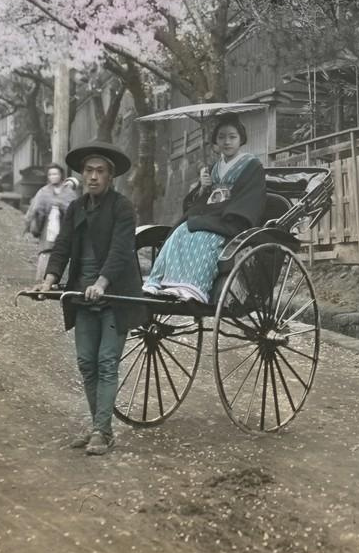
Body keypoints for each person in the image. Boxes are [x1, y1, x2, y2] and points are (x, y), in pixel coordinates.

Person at [32, 143, 145, 457]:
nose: (93, 177)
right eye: (89, 171)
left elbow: (122, 250)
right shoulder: (76, 208)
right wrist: (49, 281)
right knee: (86, 362)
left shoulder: (122, 208)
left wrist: (102, 282)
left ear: (110, 177)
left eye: (100, 171)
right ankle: (101, 426)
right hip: (82, 294)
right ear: (82, 175)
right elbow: (63, 247)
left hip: (116, 292)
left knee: (107, 362)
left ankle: (101, 430)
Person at [142, 113, 266, 302]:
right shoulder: (213, 167)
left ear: (241, 139)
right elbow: (200, 201)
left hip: (231, 218)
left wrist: (225, 212)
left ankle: (194, 288)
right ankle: (158, 281)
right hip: (211, 215)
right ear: (216, 141)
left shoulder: (252, 165)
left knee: (203, 236)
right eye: (221, 137)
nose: (227, 142)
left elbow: (251, 197)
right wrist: (204, 186)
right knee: (180, 232)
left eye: (232, 137)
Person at [25, 164, 78, 281]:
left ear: (61, 175)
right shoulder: (43, 191)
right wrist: (33, 226)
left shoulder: (69, 192)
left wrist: (61, 207)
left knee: (62, 252)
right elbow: (35, 210)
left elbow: (75, 210)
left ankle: (62, 281)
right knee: (46, 252)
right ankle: (43, 281)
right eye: (50, 174)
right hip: (47, 228)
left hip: (64, 227)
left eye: (55, 174)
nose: (53, 177)